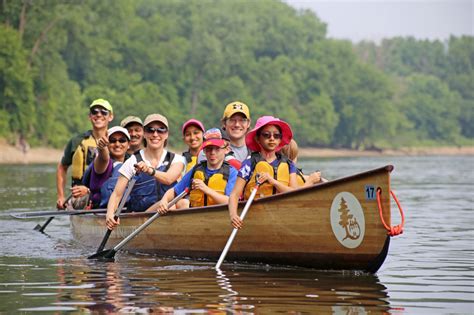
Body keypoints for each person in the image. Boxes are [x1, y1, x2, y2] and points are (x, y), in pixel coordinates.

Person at [105, 114, 185, 230]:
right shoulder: (132, 161)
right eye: (150, 130)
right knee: (171, 206)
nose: (155, 134)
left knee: (183, 203)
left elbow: (168, 179)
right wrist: (110, 214)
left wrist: (149, 170)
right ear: (145, 134)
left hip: (166, 210)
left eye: (160, 130)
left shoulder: (177, 160)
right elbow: (117, 194)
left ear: (166, 134)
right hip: (141, 217)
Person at [228, 116, 298, 229]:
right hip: (257, 218)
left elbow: (295, 193)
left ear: (280, 139)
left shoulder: (289, 164)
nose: (272, 138)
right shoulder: (249, 162)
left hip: (282, 216)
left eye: (276, 136)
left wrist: (273, 181)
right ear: (257, 138)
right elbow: (234, 194)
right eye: (266, 135)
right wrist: (233, 215)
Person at [148, 127, 238, 213]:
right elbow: (175, 191)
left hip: (219, 217)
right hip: (197, 218)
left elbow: (230, 201)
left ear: (226, 150)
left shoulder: (232, 172)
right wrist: (164, 200)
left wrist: (205, 189)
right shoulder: (196, 170)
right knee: (179, 203)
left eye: (217, 149)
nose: (212, 153)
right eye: (209, 149)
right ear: (204, 151)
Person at [56, 98, 114, 209]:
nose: (98, 115)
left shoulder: (117, 141)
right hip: (80, 196)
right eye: (94, 112)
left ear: (110, 117)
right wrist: (61, 196)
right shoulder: (77, 141)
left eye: (103, 112)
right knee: (82, 201)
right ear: (90, 116)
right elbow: (62, 168)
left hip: (107, 193)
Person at [82, 126, 130, 208]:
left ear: (128, 145)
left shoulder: (132, 163)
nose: (117, 144)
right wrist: (102, 147)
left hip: (127, 212)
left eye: (122, 140)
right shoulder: (103, 163)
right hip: (102, 214)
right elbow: (104, 158)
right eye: (112, 141)